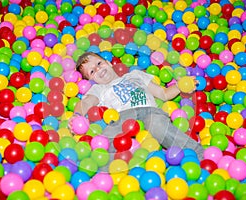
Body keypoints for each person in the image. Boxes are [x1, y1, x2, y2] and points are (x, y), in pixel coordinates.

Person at [69, 52, 204, 163]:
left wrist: (180, 86)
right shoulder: (98, 89)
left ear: (109, 63)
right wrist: (77, 115)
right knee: (105, 140)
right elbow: (86, 102)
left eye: (99, 63)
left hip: (149, 112)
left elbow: (164, 94)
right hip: (122, 118)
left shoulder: (135, 75)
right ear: (91, 80)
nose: (98, 69)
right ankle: (106, 168)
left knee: (158, 125)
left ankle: (198, 154)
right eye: (92, 71)